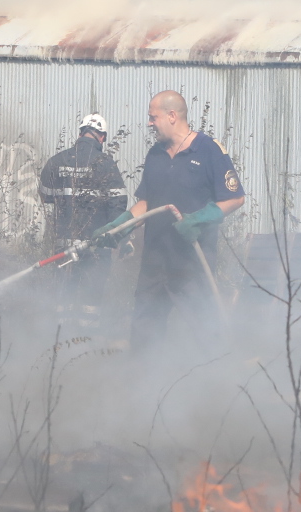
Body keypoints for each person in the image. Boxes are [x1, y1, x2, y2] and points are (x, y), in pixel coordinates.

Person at [127, 90, 244, 350]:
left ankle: (213, 382)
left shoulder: (209, 150)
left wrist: (200, 219)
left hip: (192, 264)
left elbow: (235, 197)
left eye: (152, 117)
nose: (149, 123)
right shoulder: (155, 155)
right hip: (154, 264)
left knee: (205, 332)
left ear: (171, 116)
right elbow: (146, 202)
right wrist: (120, 224)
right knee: (143, 332)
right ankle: (138, 384)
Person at [39, 113, 128, 312]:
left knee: (63, 298)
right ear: (102, 137)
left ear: (80, 133)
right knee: (91, 300)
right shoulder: (106, 164)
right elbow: (118, 204)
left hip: (63, 245)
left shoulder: (56, 161)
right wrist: (118, 237)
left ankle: (59, 337)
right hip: (96, 245)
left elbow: (45, 196)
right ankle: (86, 338)